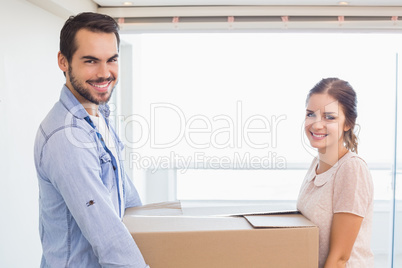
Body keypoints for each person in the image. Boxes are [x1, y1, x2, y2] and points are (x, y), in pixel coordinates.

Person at [34, 12, 149, 268]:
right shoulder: (66, 137)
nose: (104, 73)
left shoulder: (97, 115)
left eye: (112, 60)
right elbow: (110, 242)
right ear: (63, 62)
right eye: (91, 61)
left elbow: (127, 198)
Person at [297, 78, 374, 268]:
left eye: (329, 117)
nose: (316, 125)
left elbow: (340, 258)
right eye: (310, 114)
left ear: (348, 123)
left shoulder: (351, 169)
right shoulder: (316, 164)